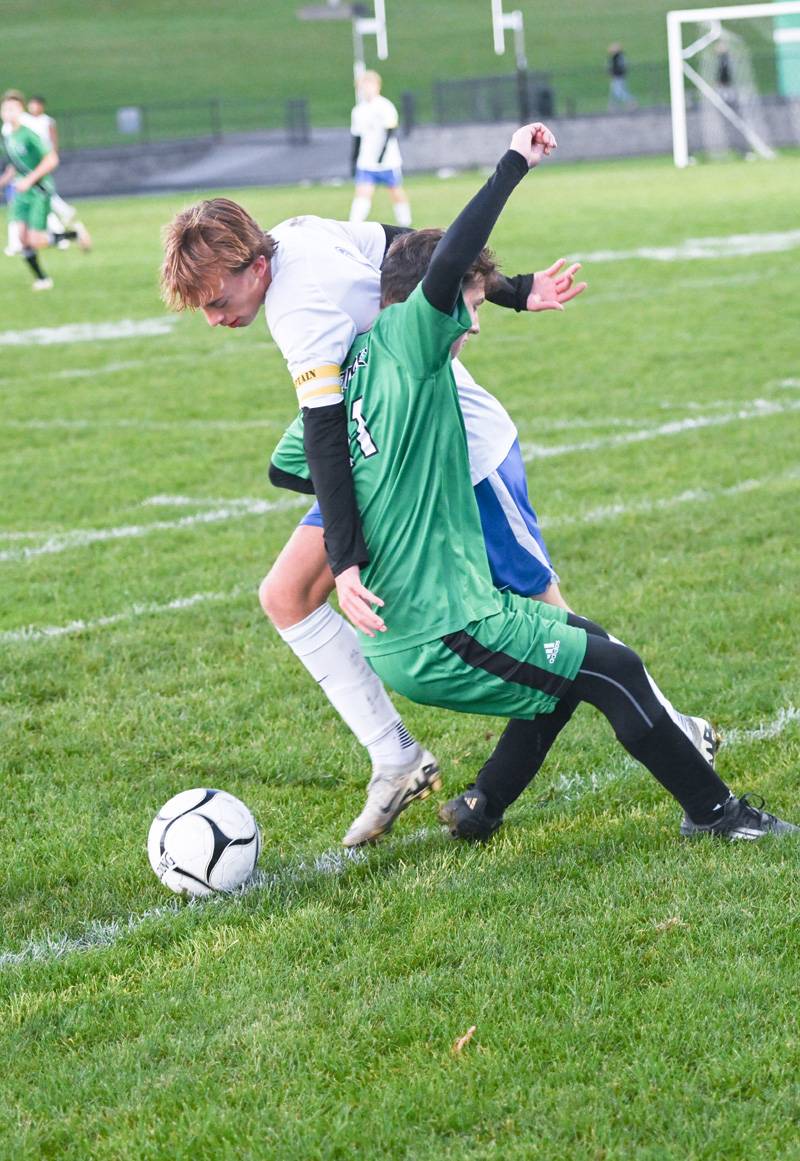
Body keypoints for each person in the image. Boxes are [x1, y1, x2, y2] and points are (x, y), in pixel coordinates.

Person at [269, 122, 797, 845]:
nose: (476, 328)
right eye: (474, 308)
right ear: (436, 300)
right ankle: (718, 815)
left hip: (420, 624)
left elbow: (292, 464)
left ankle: (482, 807)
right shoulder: (407, 344)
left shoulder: (346, 369)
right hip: (442, 633)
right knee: (613, 666)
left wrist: (376, 492)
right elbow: (452, 252)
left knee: (568, 655)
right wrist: (514, 162)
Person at [160, 192, 714, 847]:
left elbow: (326, 433)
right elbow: (411, 248)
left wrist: (346, 558)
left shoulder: (296, 310)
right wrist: (515, 290)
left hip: (457, 452)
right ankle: (395, 758)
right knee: (285, 594)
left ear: (254, 265)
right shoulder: (300, 233)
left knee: (548, 617)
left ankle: (677, 726)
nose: (215, 319)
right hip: (384, 453)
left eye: (217, 302)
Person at [0, 90, 86, 288]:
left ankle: (74, 235)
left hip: (38, 190)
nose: (8, 113)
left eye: (12, 109)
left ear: (21, 110)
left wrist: (30, 180)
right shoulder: (7, 136)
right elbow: (16, 164)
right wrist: (4, 180)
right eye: (5, 109)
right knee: (21, 240)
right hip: (20, 192)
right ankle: (42, 279)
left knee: (36, 239)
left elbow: (51, 159)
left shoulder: (28, 134)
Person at [23, 95, 90, 249]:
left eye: (36, 105)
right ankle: (65, 217)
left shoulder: (46, 121)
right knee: (42, 199)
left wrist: (52, 156)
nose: (34, 107)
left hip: (40, 162)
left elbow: (53, 141)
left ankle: (63, 227)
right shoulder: (24, 120)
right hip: (30, 165)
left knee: (41, 198)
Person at [349, 70, 411, 228]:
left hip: (388, 161)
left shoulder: (385, 106)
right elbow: (357, 137)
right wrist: (354, 160)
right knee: (363, 193)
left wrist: (382, 156)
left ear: (377, 86)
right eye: (363, 86)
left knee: (395, 191)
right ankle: (353, 226)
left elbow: (390, 132)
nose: (366, 89)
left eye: (369, 85)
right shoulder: (358, 111)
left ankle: (405, 222)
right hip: (367, 162)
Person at [608, 44, 635, 109]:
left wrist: (612, 72)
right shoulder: (616, 57)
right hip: (616, 77)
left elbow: (621, 67)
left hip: (618, 77)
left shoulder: (619, 57)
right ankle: (613, 105)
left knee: (618, 91)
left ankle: (631, 101)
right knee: (614, 91)